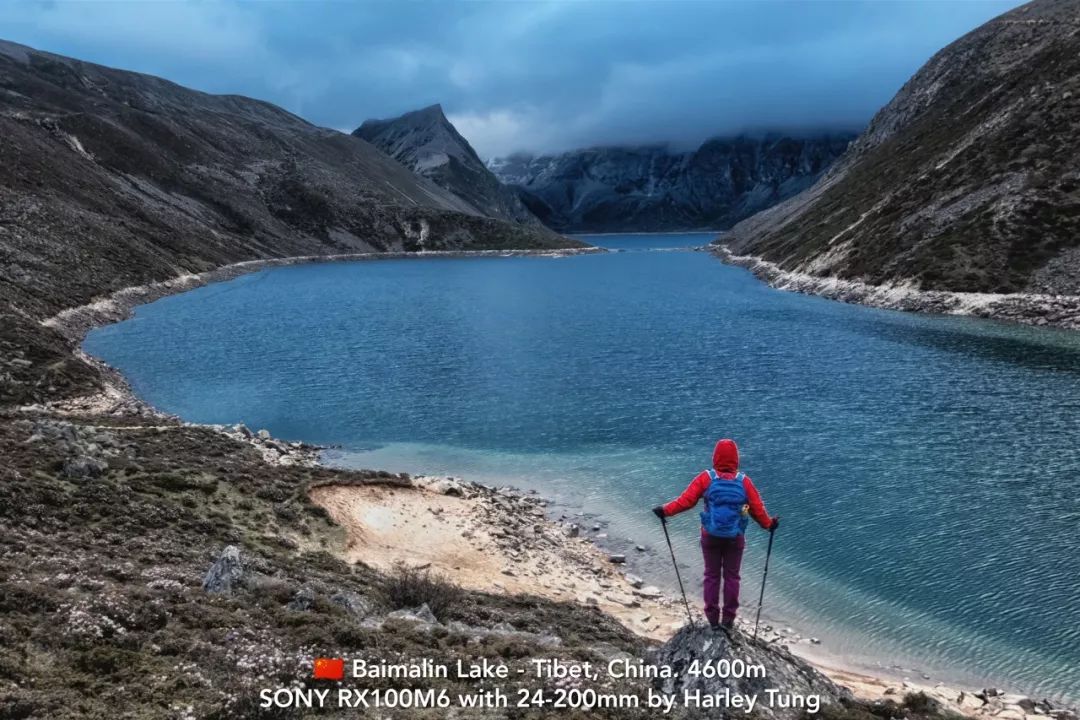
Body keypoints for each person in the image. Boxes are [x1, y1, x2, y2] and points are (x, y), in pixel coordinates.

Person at [652, 438, 778, 633]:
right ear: (736, 459)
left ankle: (712, 619)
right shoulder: (744, 482)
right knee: (732, 577)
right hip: (735, 538)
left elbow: (686, 501)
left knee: (711, 576)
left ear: (715, 457)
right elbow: (757, 510)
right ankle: (728, 620)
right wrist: (769, 525)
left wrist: (664, 510)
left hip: (710, 536)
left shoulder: (706, 478)